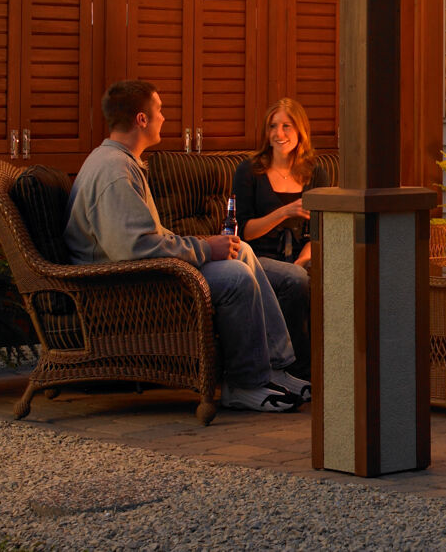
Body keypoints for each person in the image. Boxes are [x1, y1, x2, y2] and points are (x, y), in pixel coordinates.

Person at [64, 79, 309, 413]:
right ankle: (243, 383)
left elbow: (146, 239)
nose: (165, 118)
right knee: (236, 277)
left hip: (141, 268)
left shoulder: (122, 162)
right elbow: (136, 249)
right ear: (142, 120)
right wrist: (206, 249)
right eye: (160, 111)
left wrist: (204, 243)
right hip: (120, 284)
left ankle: (276, 367)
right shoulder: (115, 172)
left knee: (243, 251)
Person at [232, 98, 328, 368]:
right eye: (273, 126)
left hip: (303, 258)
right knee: (296, 279)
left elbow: (319, 233)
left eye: (287, 126)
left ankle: (340, 368)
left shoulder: (316, 174)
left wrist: (301, 262)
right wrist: (283, 213)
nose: (279, 134)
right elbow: (247, 232)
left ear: (300, 131)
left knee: (314, 276)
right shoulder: (250, 171)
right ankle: (296, 367)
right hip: (259, 258)